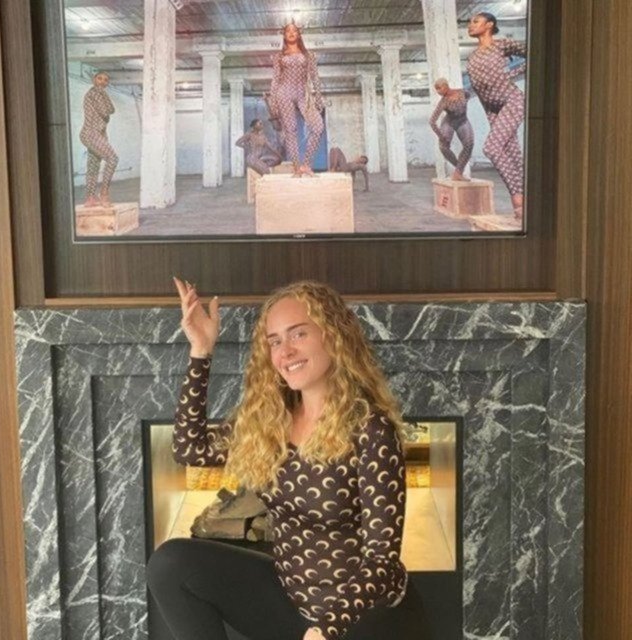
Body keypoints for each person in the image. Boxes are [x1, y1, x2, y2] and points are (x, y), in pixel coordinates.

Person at [147, 279, 431, 640]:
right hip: (294, 602)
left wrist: (325, 629)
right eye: (275, 341)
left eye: (298, 334)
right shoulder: (270, 420)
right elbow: (190, 448)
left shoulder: (371, 430)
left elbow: (381, 563)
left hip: (366, 617)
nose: (286, 352)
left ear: (333, 334)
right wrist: (201, 351)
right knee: (171, 565)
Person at [467, 11, 526, 218]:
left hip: (512, 101)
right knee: (513, 154)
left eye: (476, 21)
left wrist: (512, 73)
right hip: (492, 108)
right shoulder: (472, 57)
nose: (470, 25)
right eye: (470, 22)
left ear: (489, 24)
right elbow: (480, 90)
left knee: (491, 148)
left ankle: (518, 197)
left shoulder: (501, 45)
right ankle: (525, 206)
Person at [267, 22, 325, 177]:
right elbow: (275, 79)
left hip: (303, 93)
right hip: (284, 93)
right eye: (288, 31)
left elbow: (315, 77)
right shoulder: (279, 56)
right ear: (284, 35)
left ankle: (306, 164)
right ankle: (296, 167)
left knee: (318, 126)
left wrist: (318, 97)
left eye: (294, 31)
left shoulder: (309, 55)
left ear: (299, 34)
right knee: (290, 130)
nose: (291, 33)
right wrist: (273, 101)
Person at [79, 71, 119, 207]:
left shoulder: (100, 94)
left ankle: (90, 198)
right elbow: (106, 111)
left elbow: (112, 109)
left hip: (95, 134)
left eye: (105, 80)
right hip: (91, 133)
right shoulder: (94, 93)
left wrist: (105, 96)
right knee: (113, 159)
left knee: (93, 166)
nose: (102, 81)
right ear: (94, 79)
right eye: (99, 78)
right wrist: (104, 95)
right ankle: (104, 193)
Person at [429, 78, 474, 181]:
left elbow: (471, 94)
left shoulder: (463, 93)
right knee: (443, 147)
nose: (438, 92)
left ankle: (458, 172)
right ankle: (459, 169)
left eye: (439, 88)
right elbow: (432, 121)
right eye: (436, 89)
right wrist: (441, 136)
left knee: (469, 144)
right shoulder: (443, 102)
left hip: (463, 121)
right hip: (449, 123)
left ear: (445, 86)